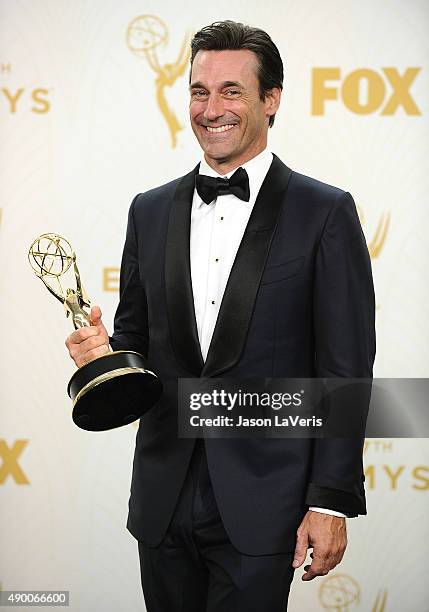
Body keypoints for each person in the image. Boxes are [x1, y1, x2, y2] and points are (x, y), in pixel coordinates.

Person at [66, 20, 375, 612]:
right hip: (162, 497)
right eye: (199, 92)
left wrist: (330, 499)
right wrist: (105, 357)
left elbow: (346, 370)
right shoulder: (149, 210)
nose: (212, 109)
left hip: (267, 502)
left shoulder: (325, 212)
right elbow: (138, 340)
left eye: (231, 91)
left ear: (271, 99)